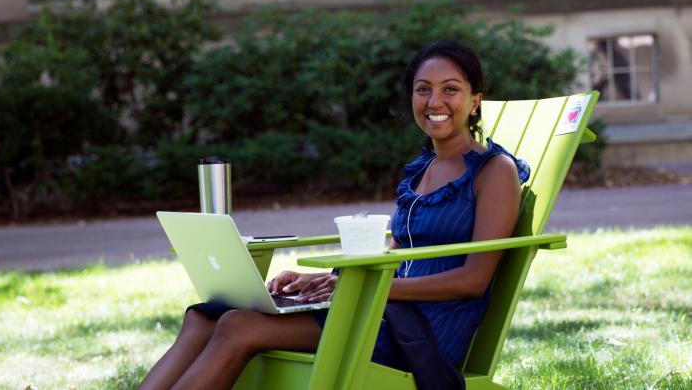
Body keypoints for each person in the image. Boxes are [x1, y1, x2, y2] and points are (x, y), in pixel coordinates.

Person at [139, 39, 529, 390]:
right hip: (385, 309)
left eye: (451, 90)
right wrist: (325, 280)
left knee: (238, 326)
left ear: (475, 101)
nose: (434, 102)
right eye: (423, 89)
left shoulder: (494, 171)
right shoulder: (423, 168)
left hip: (423, 332)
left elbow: (474, 280)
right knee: (204, 317)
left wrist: (365, 292)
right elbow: (395, 255)